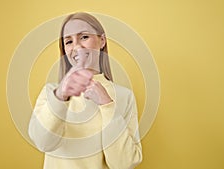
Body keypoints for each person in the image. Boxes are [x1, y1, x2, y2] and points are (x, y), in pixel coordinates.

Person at [28, 12, 142, 169]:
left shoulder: (124, 96)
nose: (76, 47)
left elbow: (124, 164)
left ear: (102, 41)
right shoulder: (51, 93)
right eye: (68, 41)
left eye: (84, 37)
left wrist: (107, 105)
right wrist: (61, 96)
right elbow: (43, 143)